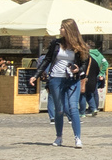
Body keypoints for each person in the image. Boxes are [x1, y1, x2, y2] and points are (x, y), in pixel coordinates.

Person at [30, 19, 89, 148]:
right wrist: (36, 75)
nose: (60, 29)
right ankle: (59, 137)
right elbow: (47, 60)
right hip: (56, 78)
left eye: (62, 27)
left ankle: (77, 138)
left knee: (73, 108)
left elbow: (85, 62)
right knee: (60, 109)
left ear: (69, 30)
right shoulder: (56, 43)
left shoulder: (80, 45)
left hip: (72, 79)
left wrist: (79, 69)